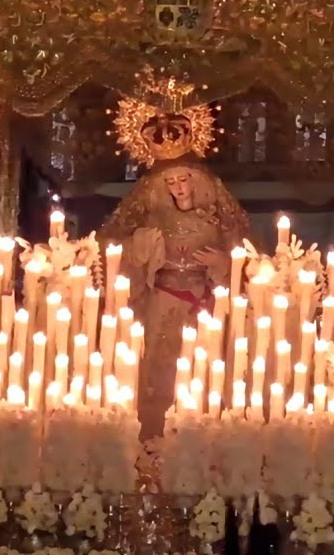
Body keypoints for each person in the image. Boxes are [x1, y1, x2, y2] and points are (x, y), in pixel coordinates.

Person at [100, 153, 249, 440]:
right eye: (170, 182)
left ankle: (196, 427)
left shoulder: (216, 221)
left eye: (183, 180)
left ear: (197, 182)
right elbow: (114, 245)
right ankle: (153, 423)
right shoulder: (155, 217)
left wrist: (222, 263)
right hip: (163, 297)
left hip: (201, 299)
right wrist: (141, 246)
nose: (178, 188)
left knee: (201, 359)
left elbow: (243, 259)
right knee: (157, 359)